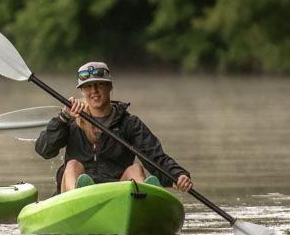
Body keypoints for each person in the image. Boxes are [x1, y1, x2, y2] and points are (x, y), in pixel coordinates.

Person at [34, 60, 193, 194]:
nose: (94, 91)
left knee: (135, 169)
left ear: (109, 87)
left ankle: (143, 197)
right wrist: (63, 117)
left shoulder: (129, 123)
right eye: (88, 87)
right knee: (72, 165)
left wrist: (177, 175)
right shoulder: (70, 120)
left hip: (116, 191)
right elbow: (44, 150)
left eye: (99, 85)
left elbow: (155, 156)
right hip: (77, 195)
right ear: (82, 91)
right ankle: (79, 198)